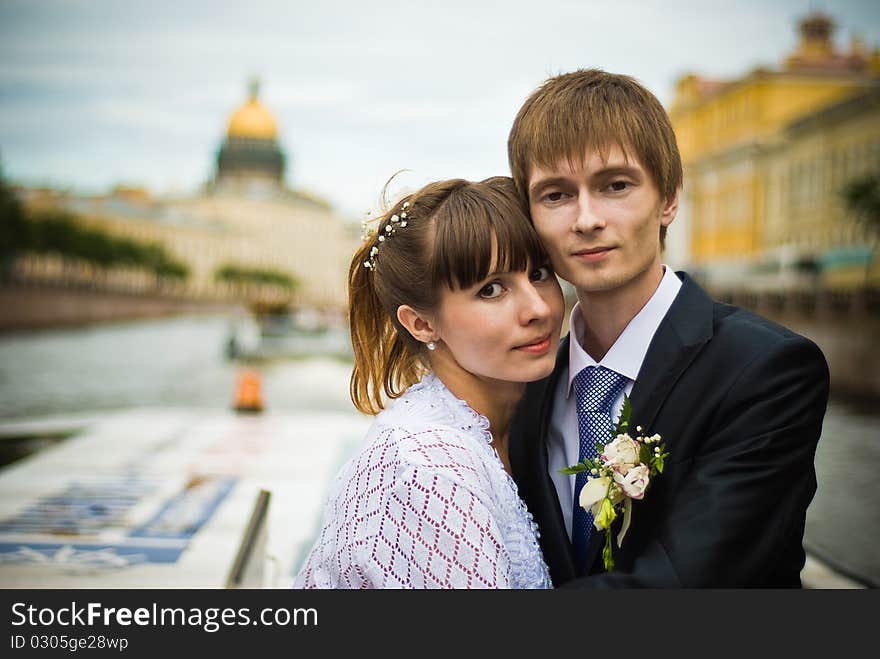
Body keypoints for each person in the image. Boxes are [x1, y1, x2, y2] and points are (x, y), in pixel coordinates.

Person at [506, 69, 830, 587]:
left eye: (615, 185)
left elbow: (685, 582)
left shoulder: (767, 369)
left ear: (669, 198)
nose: (586, 219)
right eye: (556, 195)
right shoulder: (523, 385)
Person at [293, 176, 563, 588]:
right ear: (421, 323)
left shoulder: (526, 420)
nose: (538, 307)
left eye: (540, 273)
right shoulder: (429, 468)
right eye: (491, 290)